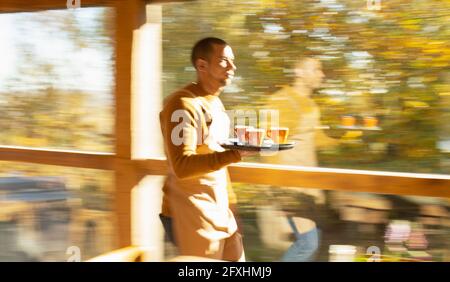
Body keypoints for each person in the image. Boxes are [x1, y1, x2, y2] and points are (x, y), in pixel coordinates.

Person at [159, 37, 251, 261]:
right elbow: (181, 165)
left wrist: (232, 207)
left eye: (232, 61)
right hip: (190, 213)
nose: (232, 67)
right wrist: (235, 154)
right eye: (223, 61)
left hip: (220, 213)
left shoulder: (215, 104)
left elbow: (218, 162)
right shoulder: (181, 104)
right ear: (202, 66)